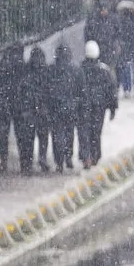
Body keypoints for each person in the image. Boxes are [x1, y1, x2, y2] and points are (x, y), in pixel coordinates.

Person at [77, 40, 119, 167]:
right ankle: (95, 156)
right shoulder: (105, 70)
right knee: (96, 132)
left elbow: (75, 89)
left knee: (84, 131)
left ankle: (86, 156)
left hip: (83, 107)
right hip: (99, 107)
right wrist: (112, 108)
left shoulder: (80, 69)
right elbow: (112, 91)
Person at [0, 47, 25, 170]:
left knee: (3, 135)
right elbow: (27, 84)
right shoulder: (21, 66)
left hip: (3, 105)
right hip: (17, 105)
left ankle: (4, 162)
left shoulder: (0, 65)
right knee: (20, 135)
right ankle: (24, 163)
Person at [14, 45, 48, 173]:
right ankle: (42, 158)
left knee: (28, 139)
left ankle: (27, 164)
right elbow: (50, 91)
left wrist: (23, 109)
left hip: (29, 111)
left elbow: (19, 92)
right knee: (42, 136)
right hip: (41, 110)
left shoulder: (25, 72)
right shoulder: (46, 71)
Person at [48, 42, 79, 171]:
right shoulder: (74, 71)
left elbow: (46, 90)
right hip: (70, 108)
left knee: (57, 136)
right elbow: (80, 90)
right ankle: (68, 157)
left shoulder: (51, 70)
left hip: (56, 109)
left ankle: (59, 161)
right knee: (69, 134)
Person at [113, 0, 134, 97]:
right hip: (131, 46)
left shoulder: (122, 18)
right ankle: (132, 88)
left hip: (128, 46)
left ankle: (128, 89)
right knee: (131, 67)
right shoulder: (133, 18)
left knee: (127, 67)